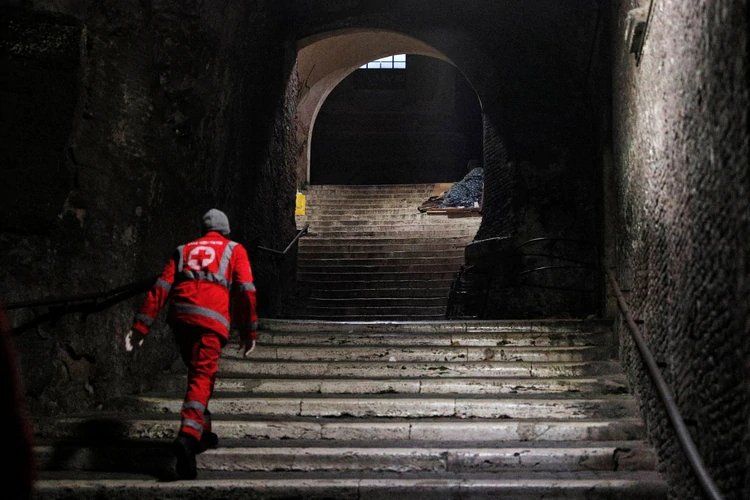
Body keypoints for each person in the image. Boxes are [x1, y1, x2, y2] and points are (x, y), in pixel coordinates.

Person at [125, 209, 258, 479]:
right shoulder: (234, 249)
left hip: (181, 319)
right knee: (201, 377)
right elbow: (246, 290)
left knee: (200, 374)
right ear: (226, 230)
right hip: (211, 321)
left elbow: (160, 287)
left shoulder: (183, 250)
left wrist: (141, 327)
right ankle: (187, 437)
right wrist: (249, 331)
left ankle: (202, 433)